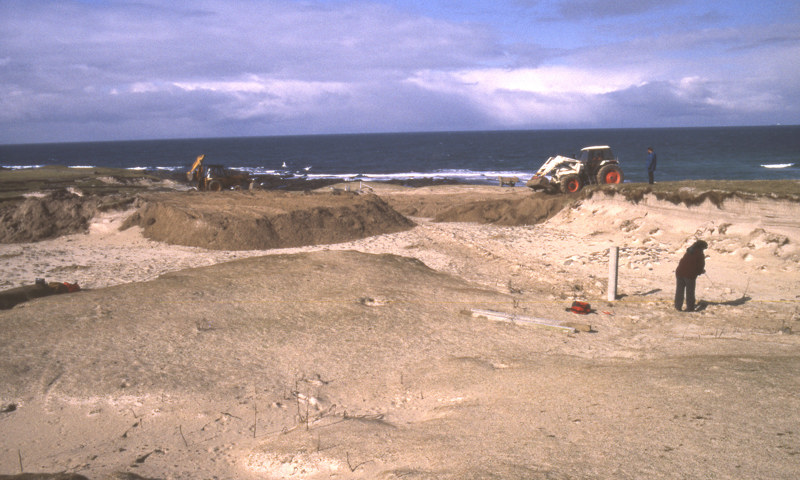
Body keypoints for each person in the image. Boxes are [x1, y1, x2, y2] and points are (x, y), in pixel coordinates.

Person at [675, 240, 708, 312]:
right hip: (689, 274)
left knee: (679, 290)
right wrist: (701, 271)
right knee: (690, 292)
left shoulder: (689, 251)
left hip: (679, 272)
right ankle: (690, 308)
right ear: (702, 247)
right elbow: (700, 266)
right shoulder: (700, 254)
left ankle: (677, 306)